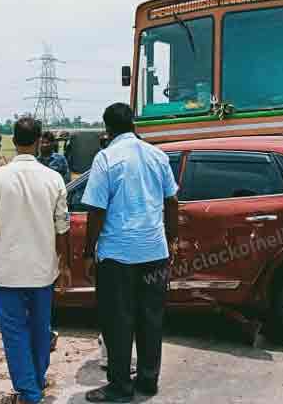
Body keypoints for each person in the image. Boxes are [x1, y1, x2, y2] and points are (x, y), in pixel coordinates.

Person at [81, 103, 179, 402]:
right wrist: (172, 240)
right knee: (151, 317)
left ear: (107, 129)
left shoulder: (106, 158)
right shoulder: (157, 155)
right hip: (154, 252)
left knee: (118, 321)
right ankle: (148, 380)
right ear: (134, 124)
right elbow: (172, 201)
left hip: (118, 256)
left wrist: (88, 252)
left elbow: (96, 210)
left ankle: (120, 386)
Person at [0, 117, 71, 404]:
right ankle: (36, 381)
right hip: (43, 271)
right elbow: (62, 228)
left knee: (14, 333)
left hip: (7, 272)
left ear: (13, 141)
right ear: (40, 140)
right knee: (41, 328)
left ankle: (30, 393)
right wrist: (64, 265)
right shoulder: (53, 178)